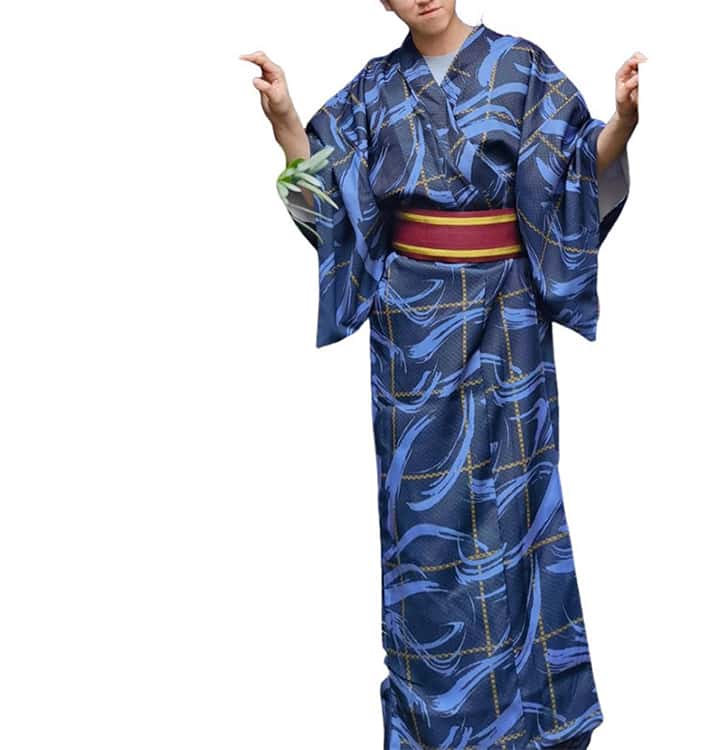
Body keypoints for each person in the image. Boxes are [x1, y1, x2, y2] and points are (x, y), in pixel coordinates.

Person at [241, 2, 644, 748]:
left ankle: (530, 726)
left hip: (508, 323)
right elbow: (331, 200)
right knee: (420, 530)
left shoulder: (522, 67)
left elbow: (576, 172)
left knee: (518, 513)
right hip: (412, 334)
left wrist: (621, 122)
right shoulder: (373, 89)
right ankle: (433, 728)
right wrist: (285, 120)